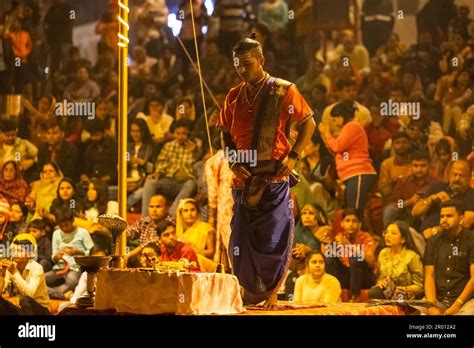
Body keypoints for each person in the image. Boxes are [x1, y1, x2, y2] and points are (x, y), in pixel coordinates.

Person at [219, 34, 315, 306]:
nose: (241, 69)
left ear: (262, 60)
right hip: (243, 180)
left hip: (273, 176)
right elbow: (224, 132)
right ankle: (246, 295)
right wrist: (232, 160)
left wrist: (294, 156)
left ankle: (272, 293)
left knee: (273, 238)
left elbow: (309, 124)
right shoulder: (234, 95)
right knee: (240, 239)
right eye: (237, 64)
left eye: (246, 63)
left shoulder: (284, 89)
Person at [319, 102, 377, 218]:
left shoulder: (352, 126)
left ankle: (362, 236)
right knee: (352, 212)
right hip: (353, 176)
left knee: (354, 213)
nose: (334, 123)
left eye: (334, 119)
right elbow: (336, 151)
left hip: (359, 173)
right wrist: (325, 136)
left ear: (341, 117)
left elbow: (337, 146)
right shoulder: (349, 127)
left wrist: (327, 133)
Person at [423, 200, 474, 315]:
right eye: (442, 216)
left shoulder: (471, 239)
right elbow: (429, 276)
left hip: (466, 300)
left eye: (449, 216)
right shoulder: (432, 241)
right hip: (439, 299)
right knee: (418, 312)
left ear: (461, 219)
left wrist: (457, 305)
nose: (444, 220)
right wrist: (432, 305)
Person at [141, 119, 198, 217]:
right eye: (178, 133)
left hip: (184, 184)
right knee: (150, 182)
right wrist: (157, 173)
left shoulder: (195, 147)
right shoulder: (168, 146)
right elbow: (161, 164)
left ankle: (171, 216)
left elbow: (197, 168)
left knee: (191, 184)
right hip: (168, 181)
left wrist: (196, 152)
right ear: (174, 133)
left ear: (189, 134)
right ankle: (145, 218)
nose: (181, 136)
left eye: (184, 134)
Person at [325, 208, 376, 302]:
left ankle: (355, 297)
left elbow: (371, 260)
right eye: (347, 221)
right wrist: (327, 245)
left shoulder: (366, 237)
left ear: (359, 224)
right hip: (348, 276)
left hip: (363, 277)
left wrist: (350, 246)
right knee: (329, 257)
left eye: (354, 221)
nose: (351, 224)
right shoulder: (339, 237)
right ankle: (333, 291)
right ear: (342, 224)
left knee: (355, 258)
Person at [412, 160, 474, 238]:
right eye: (454, 174)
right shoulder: (438, 186)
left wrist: (435, 230)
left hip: (448, 241)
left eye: (462, 176)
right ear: (449, 175)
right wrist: (431, 199)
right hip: (422, 236)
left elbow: (464, 223)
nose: (457, 179)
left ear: (469, 177)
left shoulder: (471, 196)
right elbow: (415, 212)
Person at [45, 207, 94, 300]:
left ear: (72, 221)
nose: (64, 228)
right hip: (59, 268)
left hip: (75, 268)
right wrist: (56, 256)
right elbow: (53, 255)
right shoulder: (56, 233)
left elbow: (92, 253)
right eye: (61, 226)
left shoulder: (83, 232)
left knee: (71, 280)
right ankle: (59, 294)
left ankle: (53, 293)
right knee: (42, 278)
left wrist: (77, 252)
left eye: (66, 225)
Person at [384, 151, 442, 228]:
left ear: (429, 166)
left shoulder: (437, 182)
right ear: (410, 166)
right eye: (416, 165)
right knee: (389, 210)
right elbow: (394, 203)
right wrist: (408, 202)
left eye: (423, 166)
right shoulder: (403, 182)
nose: (419, 169)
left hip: (429, 215)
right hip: (407, 214)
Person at [369, 221, 424, 300]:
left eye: (393, 233)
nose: (387, 236)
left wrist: (404, 289)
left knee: (399, 297)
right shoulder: (383, 253)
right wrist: (380, 282)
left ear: (403, 239)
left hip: (405, 293)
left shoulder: (412, 256)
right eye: (386, 232)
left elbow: (419, 286)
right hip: (388, 292)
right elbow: (381, 277)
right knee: (374, 292)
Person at [0, 233, 50, 315]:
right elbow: (1, 292)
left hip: (41, 309)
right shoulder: (12, 266)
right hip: (24, 309)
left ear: (30, 254)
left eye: (19, 251)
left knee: (24, 300)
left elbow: (29, 294)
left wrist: (14, 272)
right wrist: (2, 274)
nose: (15, 254)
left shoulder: (37, 267)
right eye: (13, 251)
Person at [176, 198, 216, 272]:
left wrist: (195, 250)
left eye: (192, 210)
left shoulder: (206, 228)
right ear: (180, 214)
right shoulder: (178, 232)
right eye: (185, 211)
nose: (189, 213)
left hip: (202, 262)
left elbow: (211, 252)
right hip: (183, 263)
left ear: (198, 212)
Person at [126, 195, 169, 263]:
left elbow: (155, 241)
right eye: (151, 207)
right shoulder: (144, 220)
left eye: (158, 206)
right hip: (138, 259)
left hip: (158, 261)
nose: (154, 210)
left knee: (149, 250)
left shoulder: (170, 221)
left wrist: (129, 255)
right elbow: (130, 232)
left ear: (166, 208)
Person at [377, 131, 412, 201]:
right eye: (397, 143)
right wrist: (392, 182)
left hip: (413, 199)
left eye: (404, 142)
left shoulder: (415, 163)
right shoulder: (386, 164)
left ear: (409, 144)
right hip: (394, 201)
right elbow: (384, 190)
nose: (401, 145)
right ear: (392, 146)